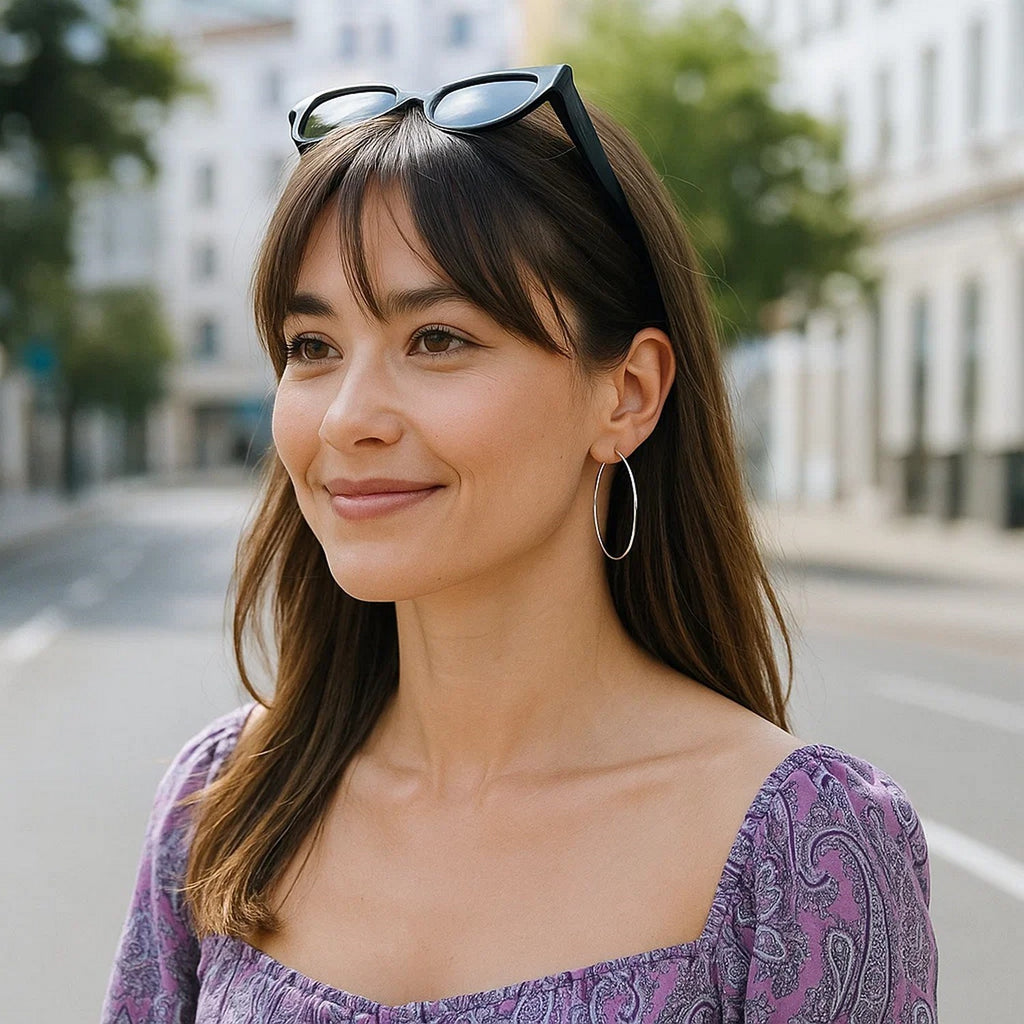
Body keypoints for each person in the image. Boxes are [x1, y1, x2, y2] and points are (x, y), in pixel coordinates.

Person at [101, 66, 937, 1022]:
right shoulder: (225, 798)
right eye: (312, 347)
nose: (346, 419)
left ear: (627, 394)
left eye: (439, 338)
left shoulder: (803, 849)